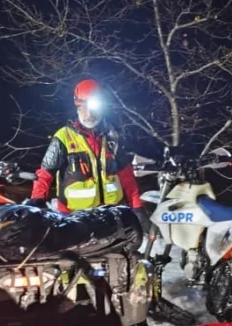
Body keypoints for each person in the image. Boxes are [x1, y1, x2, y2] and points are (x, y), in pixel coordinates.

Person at [28, 79, 149, 230]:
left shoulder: (112, 137)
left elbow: (126, 175)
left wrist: (137, 207)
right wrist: (36, 201)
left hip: (111, 214)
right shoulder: (63, 137)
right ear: (77, 107)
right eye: (83, 109)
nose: (89, 114)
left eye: (93, 109)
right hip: (73, 219)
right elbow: (45, 173)